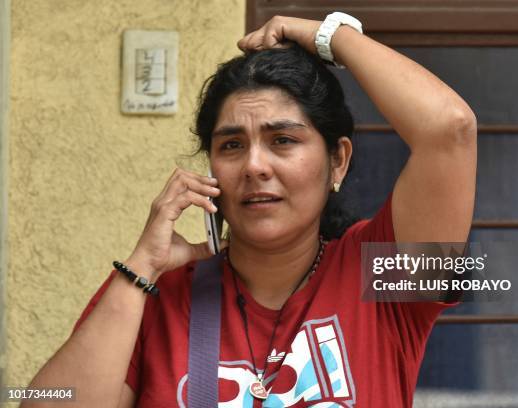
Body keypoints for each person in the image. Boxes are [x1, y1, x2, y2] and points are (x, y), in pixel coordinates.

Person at [24, 13, 476, 408]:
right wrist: (142, 266)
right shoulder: (153, 294)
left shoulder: (379, 276)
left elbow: (448, 129)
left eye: (283, 140)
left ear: (338, 160)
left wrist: (330, 35)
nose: (255, 166)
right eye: (232, 145)